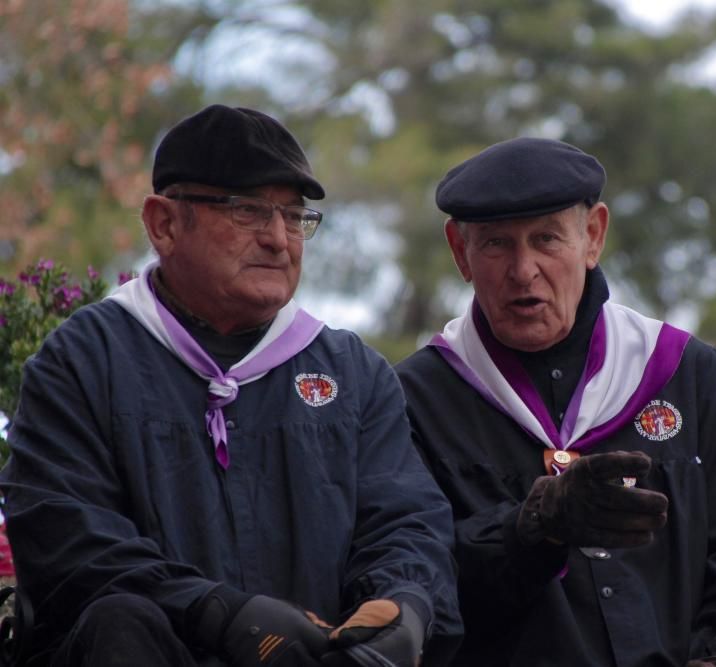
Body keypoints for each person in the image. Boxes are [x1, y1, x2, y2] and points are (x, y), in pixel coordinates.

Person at [0, 104, 462, 666]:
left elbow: (406, 518)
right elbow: (66, 539)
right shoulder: (85, 361)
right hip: (153, 653)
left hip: (316, 658)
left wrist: (404, 604)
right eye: (248, 211)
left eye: (293, 217)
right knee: (119, 618)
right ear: (163, 224)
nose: (278, 239)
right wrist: (216, 612)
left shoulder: (352, 372)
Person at [395, 137, 716, 666]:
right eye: (496, 244)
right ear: (460, 252)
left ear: (593, 236)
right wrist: (533, 528)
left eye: (546, 239)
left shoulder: (689, 374)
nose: (523, 271)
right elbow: (423, 596)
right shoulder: (414, 402)